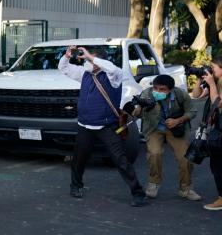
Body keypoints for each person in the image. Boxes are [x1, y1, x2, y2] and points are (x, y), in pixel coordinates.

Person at [59, 45, 147, 206]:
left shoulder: (114, 76)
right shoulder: (84, 73)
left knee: (121, 160)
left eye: (89, 59)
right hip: (85, 125)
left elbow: (112, 68)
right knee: (79, 159)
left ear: (99, 60)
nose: (86, 61)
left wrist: (90, 57)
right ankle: (75, 186)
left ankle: (138, 193)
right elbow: (63, 68)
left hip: (107, 126)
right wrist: (67, 55)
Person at [134, 74, 200, 201]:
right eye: (155, 88)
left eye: (162, 89)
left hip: (176, 129)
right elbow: (137, 115)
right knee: (154, 153)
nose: (158, 91)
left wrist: (178, 120)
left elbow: (192, 111)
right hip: (154, 128)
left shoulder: (180, 94)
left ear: (170, 89)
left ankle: (186, 188)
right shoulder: (146, 93)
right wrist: (140, 106)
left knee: (185, 158)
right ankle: (153, 183)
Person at [191, 58, 222, 211]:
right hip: (215, 129)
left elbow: (217, 102)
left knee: (218, 165)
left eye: (213, 67)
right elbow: (196, 95)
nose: (211, 70)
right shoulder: (214, 83)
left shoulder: (216, 84)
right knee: (216, 164)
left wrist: (211, 84)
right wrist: (199, 80)